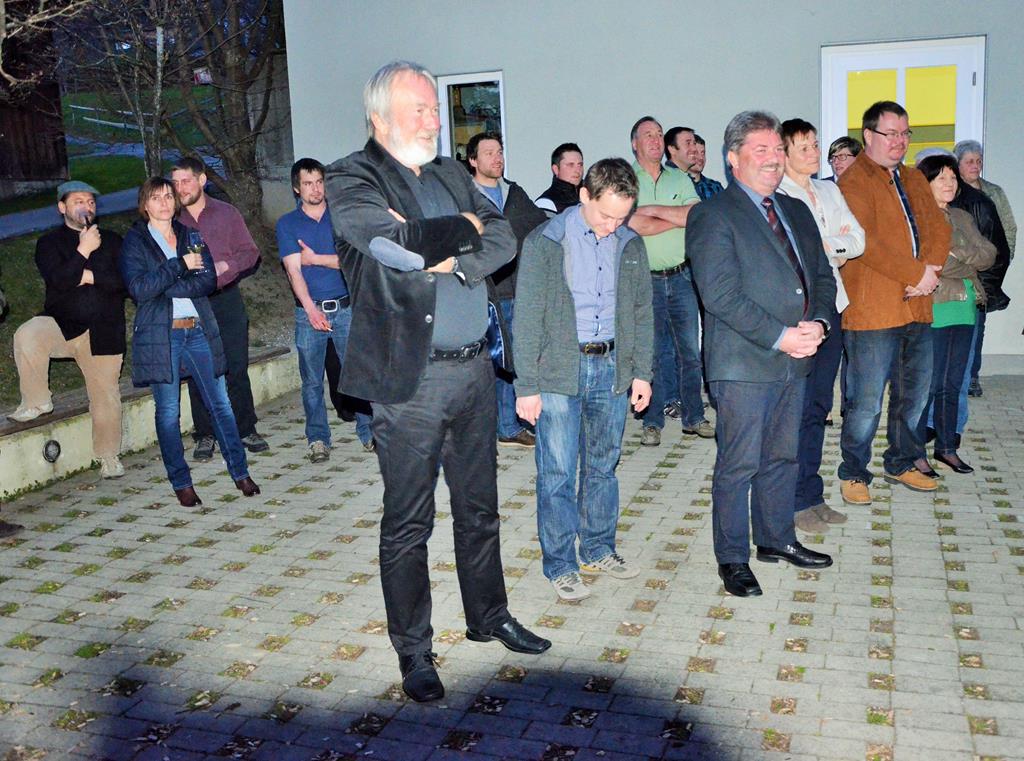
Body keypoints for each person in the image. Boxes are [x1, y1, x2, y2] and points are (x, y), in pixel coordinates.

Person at [325, 60, 550, 703]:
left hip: (475, 370)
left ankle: (488, 615)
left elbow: (505, 235)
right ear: (380, 118)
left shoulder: (452, 172)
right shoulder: (352, 176)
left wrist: (455, 258)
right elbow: (394, 245)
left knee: (480, 510)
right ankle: (415, 651)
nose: (433, 120)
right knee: (408, 522)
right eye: (419, 109)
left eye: (434, 108)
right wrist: (460, 230)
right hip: (411, 380)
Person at [688, 111, 836, 598]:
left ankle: (776, 539)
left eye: (777, 149)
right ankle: (732, 558)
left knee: (783, 457)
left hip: (797, 357)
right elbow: (720, 296)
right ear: (733, 158)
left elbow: (821, 276)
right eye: (762, 150)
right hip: (743, 363)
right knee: (739, 464)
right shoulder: (713, 214)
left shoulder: (795, 210)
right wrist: (781, 336)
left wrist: (818, 323)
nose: (774, 159)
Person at [513, 158, 654, 601]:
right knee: (556, 473)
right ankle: (560, 564)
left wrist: (642, 372)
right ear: (584, 196)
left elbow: (642, 312)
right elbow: (527, 316)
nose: (613, 226)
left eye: (622, 217)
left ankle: (598, 548)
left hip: (611, 368)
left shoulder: (630, 243)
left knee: (602, 467)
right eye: (606, 215)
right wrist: (526, 385)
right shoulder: (545, 241)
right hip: (558, 370)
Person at [119, 177, 260, 507]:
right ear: (145, 204)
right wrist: (180, 266)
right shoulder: (136, 241)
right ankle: (181, 482)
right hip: (162, 335)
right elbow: (139, 289)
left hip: (198, 329)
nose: (164, 203)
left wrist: (167, 285)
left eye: (169, 196)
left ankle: (240, 472)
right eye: (156, 198)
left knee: (220, 403)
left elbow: (208, 281)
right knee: (168, 412)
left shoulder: (189, 234)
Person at [837, 101, 951, 505]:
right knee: (865, 402)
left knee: (914, 395)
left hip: (917, 305)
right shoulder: (853, 180)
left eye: (905, 133)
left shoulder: (914, 177)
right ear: (868, 135)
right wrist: (916, 274)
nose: (900, 141)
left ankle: (901, 462)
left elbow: (938, 227)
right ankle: (853, 471)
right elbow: (865, 242)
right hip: (873, 310)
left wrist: (930, 271)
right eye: (891, 133)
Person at [777, 118, 864, 534]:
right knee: (794, 408)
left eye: (815, 144)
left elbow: (858, 240)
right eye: (804, 147)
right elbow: (797, 253)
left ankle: (811, 494)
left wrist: (827, 245)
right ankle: (790, 499)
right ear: (783, 154)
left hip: (832, 306)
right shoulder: (777, 196)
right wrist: (833, 245)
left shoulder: (829, 190)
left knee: (818, 407)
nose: (814, 152)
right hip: (796, 314)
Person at [9, 180, 126, 479]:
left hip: (103, 330)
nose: (87, 207)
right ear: (62, 207)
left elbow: (124, 283)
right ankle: (37, 401)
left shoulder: (113, 241)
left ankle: (108, 457)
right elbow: (59, 280)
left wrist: (88, 276)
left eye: (91, 201)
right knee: (28, 333)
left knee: (105, 397)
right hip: (61, 325)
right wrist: (84, 250)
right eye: (78, 201)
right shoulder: (49, 243)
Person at [170, 157, 269, 461]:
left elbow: (250, 253)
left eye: (186, 181)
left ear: (201, 180)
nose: (180, 188)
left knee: (236, 365)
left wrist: (228, 266)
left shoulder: (227, 213)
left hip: (226, 300)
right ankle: (205, 434)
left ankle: (246, 428)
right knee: (197, 369)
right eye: (175, 183)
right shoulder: (171, 220)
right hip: (192, 303)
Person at [276, 158, 373, 461]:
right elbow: (293, 270)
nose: (315, 189)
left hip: (346, 308)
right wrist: (311, 311)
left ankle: (369, 432)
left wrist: (316, 259)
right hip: (309, 312)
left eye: (319, 182)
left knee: (358, 374)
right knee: (312, 382)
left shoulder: (341, 217)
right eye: (308, 183)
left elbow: (354, 260)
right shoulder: (287, 224)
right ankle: (318, 439)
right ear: (297, 188)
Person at [627, 116, 710, 447]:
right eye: (648, 135)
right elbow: (632, 225)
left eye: (660, 134)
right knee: (653, 354)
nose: (656, 139)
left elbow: (695, 216)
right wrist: (674, 217)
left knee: (690, 351)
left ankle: (694, 417)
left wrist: (650, 210)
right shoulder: (626, 180)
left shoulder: (679, 178)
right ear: (634, 144)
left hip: (681, 277)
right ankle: (652, 422)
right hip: (645, 281)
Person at [466, 131, 549, 448]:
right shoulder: (465, 199)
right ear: (473, 160)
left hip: (519, 292)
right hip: (483, 295)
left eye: (499, 151)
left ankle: (510, 424)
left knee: (514, 360)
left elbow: (539, 231)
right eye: (489, 153)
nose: (497, 157)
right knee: (484, 364)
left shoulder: (515, 193)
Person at [914, 155, 995, 475]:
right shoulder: (918, 218)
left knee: (953, 382)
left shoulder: (961, 215)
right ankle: (914, 452)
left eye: (952, 178)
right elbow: (934, 264)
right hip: (934, 307)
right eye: (941, 178)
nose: (949, 184)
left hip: (964, 305)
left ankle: (947, 448)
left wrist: (958, 254)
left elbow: (989, 254)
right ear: (925, 184)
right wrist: (965, 261)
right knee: (928, 384)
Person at [953, 139, 1016, 399]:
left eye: (978, 161)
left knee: (978, 326)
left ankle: (972, 376)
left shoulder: (994, 193)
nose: (975, 166)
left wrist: (1002, 261)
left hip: (987, 271)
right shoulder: (952, 191)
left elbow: (1009, 228)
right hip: (958, 271)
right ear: (958, 164)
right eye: (969, 161)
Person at [536, 142, 584, 216]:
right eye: (570, 165)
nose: (577, 170)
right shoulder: (546, 202)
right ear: (556, 169)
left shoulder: (592, 196)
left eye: (580, 165)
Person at [689, 133, 726, 200]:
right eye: (696, 153)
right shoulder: (676, 186)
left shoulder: (715, 187)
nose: (701, 158)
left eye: (703, 153)